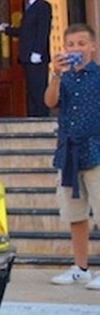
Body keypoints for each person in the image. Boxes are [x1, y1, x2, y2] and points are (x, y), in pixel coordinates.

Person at [44, 22, 100, 289]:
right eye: (71, 45)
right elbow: (50, 102)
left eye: (81, 44)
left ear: (92, 46)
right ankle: (80, 267)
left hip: (97, 150)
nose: (76, 49)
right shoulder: (63, 77)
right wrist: (55, 74)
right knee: (74, 214)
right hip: (68, 153)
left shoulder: (99, 76)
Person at [0, 0, 52, 117]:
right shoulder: (29, 7)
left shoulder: (43, 6)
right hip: (27, 56)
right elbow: (25, 31)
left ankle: (41, 117)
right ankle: (33, 116)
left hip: (36, 56)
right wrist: (7, 29)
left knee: (38, 89)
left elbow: (43, 30)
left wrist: (38, 52)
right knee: (31, 90)